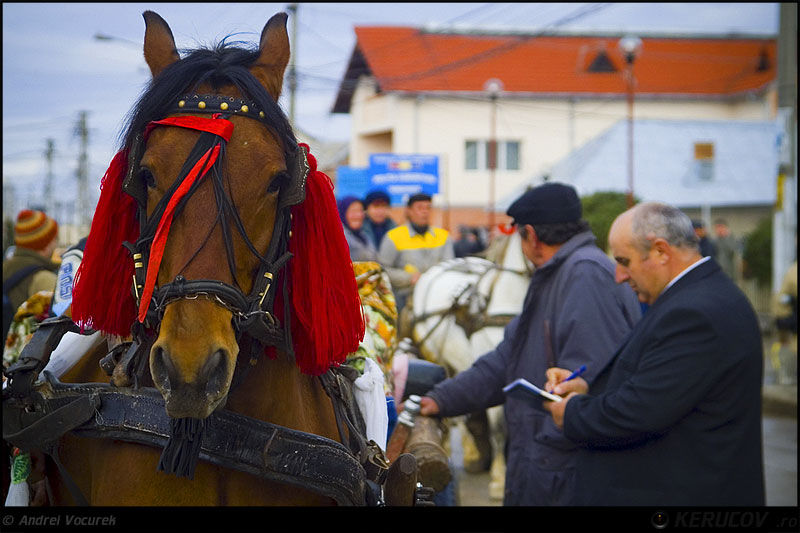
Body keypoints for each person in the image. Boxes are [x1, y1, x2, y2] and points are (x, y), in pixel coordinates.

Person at [417, 182, 641, 506]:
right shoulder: (556, 276)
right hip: (549, 472)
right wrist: (440, 400)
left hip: (568, 481)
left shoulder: (584, 278)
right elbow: (506, 360)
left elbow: (590, 390)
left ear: (531, 236)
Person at [543, 201, 765, 506]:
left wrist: (572, 413)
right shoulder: (695, 298)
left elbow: (638, 412)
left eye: (624, 261)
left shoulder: (695, 313)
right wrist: (587, 390)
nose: (619, 276)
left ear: (661, 251)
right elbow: (661, 387)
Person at [378, 193, 454, 313]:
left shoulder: (443, 237)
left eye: (428, 208)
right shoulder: (393, 237)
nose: (425, 212)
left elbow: (449, 267)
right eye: (419, 208)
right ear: (409, 211)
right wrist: (409, 278)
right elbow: (382, 270)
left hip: (437, 297)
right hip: (405, 297)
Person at [3, 209, 60, 318]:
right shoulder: (43, 279)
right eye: (54, 238)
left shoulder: (5, 267)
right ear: (45, 243)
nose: (56, 244)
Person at [337, 195, 378, 262]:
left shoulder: (364, 235)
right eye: (353, 211)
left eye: (361, 211)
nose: (358, 215)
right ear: (342, 213)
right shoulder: (339, 237)